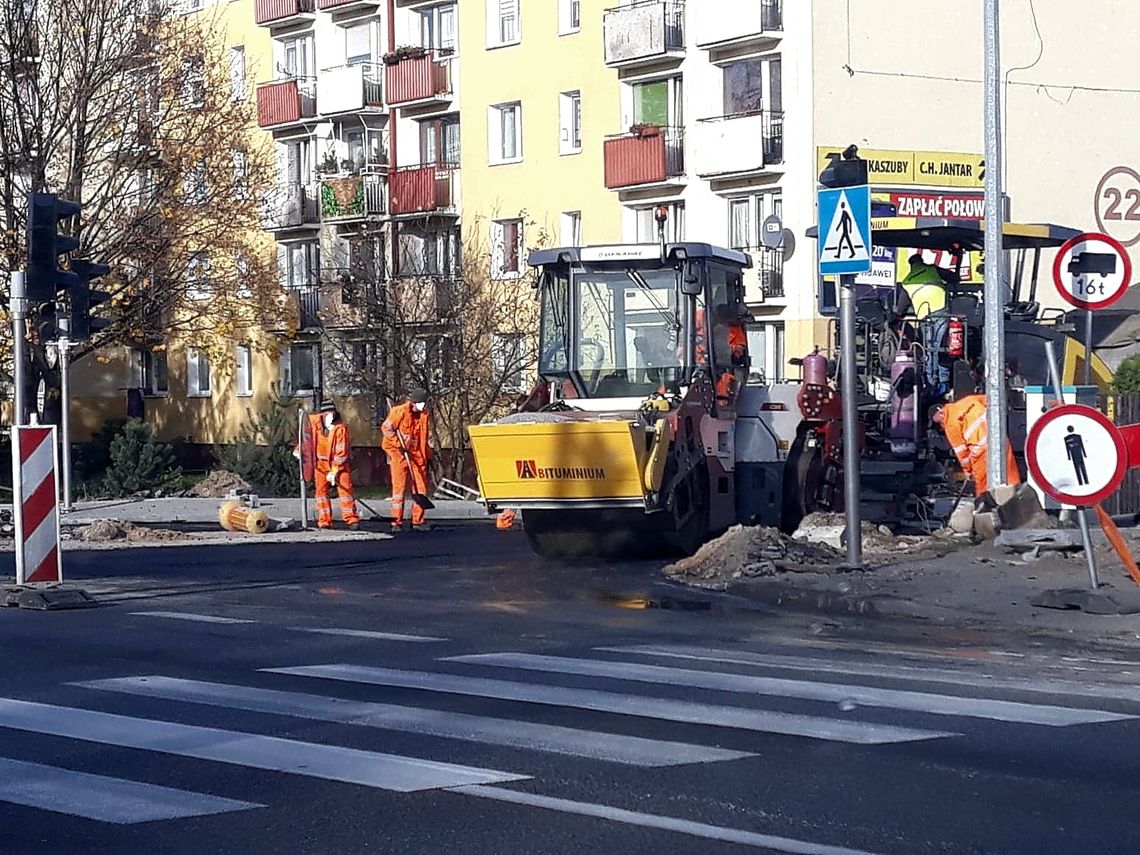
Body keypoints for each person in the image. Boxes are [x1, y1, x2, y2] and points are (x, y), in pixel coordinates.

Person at [933, 394, 1019, 496]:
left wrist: (968, 472)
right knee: (1010, 477)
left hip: (980, 452)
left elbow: (962, 454)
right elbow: (993, 399)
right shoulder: (968, 401)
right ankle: (1017, 501)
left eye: (939, 423)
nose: (941, 426)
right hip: (999, 439)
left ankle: (987, 509)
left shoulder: (950, 425)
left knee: (983, 489)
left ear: (940, 413)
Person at [381, 389, 432, 532]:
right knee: (399, 489)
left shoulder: (424, 415)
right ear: (415, 402)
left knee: (420, 489)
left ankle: (418, 520)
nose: (423, 405)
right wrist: (398, 445)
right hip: (399, 454)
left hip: (416, 455)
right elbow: (386, 429)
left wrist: (427, 455)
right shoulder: (399, 412)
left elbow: (423, 437)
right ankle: (396, 522)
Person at [312, 401, 361, 531]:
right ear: (321, 414)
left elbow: (341, 452)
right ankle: (324, 520)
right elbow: (304, 438)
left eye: (331, 413)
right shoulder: (314, 425)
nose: (329, 416)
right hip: (320, 464)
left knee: (346, 491)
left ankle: (351, 519)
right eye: (326, 413)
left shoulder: (340, 429)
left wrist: (334, 471)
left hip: (339, 465)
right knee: (321, 493)